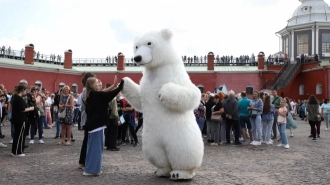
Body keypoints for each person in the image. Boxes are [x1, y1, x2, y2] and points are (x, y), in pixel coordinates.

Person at [83, 76, 123, 176]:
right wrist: (119, 87)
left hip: (94, 125)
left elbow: (104, 92)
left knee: (93, 148)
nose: (99, 83)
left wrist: (114, 85)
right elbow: (108, 95)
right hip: (97, 125)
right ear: (92, 85)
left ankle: (90, 168)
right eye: (97, 82)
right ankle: (92, 170)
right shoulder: (96, 95)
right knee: (96, 149)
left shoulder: (92, 94)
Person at [78, 72, 96, 170]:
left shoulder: (85, 91)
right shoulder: (86, 91)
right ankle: (83, 162)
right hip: (87, 119)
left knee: (87, 140)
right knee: (87, 141)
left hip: (86, 118)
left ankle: (83, 161)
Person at [11, 84, 35, 156]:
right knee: (20, 136)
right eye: (25, 90)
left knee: (16, 135)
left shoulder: (15, 97)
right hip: (21, 119)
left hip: (17, 119)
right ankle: (18, 152)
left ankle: (14, 151)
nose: (26, 91)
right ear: (22, 90)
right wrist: (31, 108)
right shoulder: (19, 98)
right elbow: (22, 109)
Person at [105, 84, 121, 151]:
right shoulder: (113, 99)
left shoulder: (106, 97)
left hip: (107, 117)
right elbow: (115, 111)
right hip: (113, 117)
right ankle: (113, 146)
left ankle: (108, 145)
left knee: (108, 132)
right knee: (114, 133)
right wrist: (118, 119)